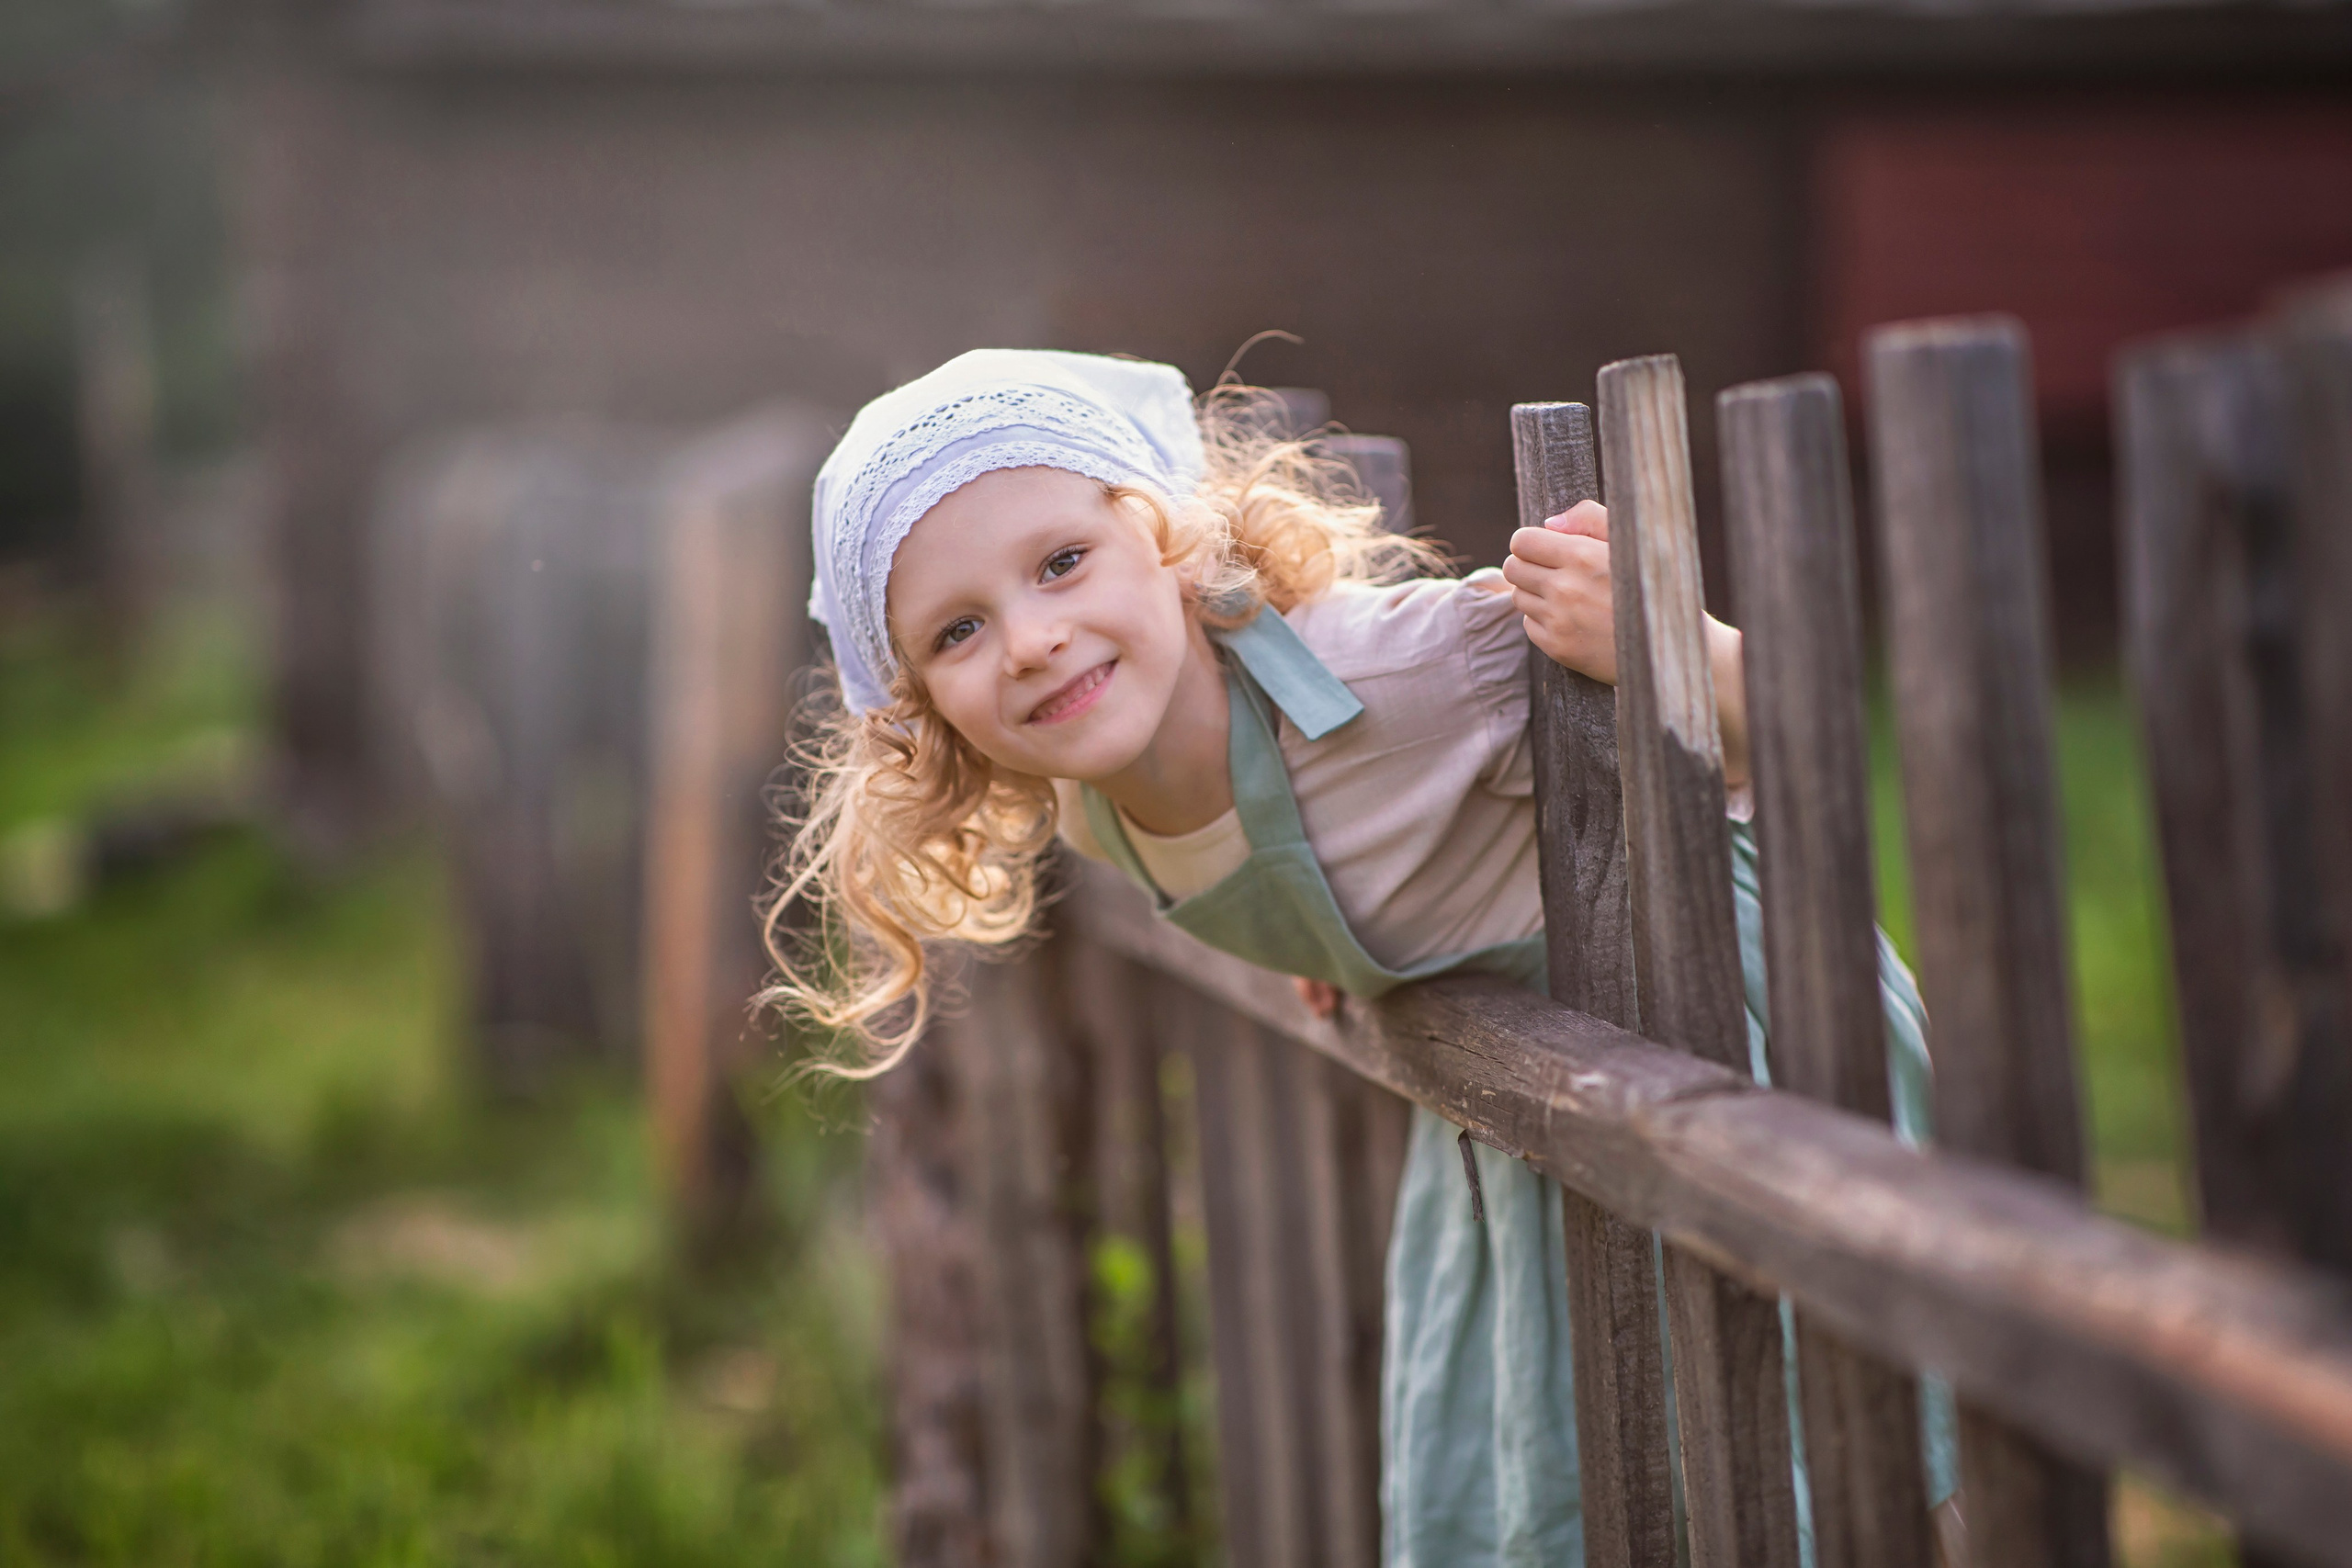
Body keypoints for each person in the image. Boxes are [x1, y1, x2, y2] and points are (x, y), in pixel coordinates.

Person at [766, 347, 1953, 1565]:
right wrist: (1343, 945)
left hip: (1737, 1050)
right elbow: (1317, 862)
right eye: (959, 629)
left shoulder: (1411, 677)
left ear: (1168, 541)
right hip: (1545, 1118)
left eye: (1062, 563)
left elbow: (1787, 725)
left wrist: (1661, 637)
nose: (1030, 639)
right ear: (921, 704)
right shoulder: (1087, 804)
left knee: (1829, 1469)